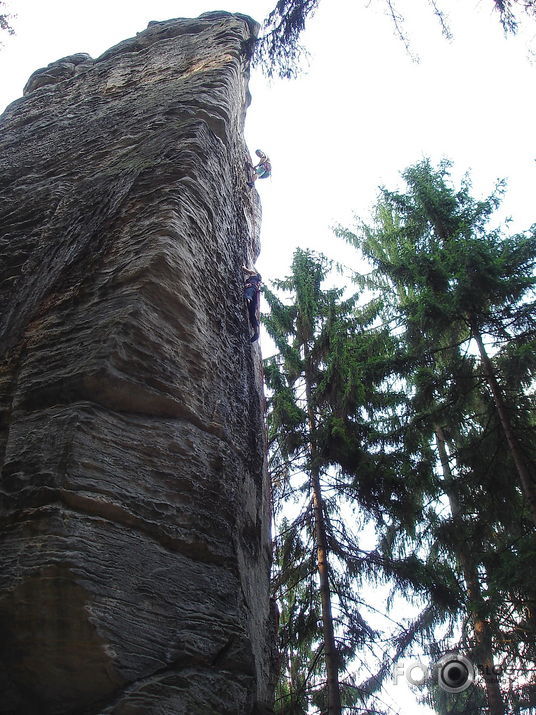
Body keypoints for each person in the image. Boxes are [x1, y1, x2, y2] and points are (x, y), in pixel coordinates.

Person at [243, 265, 262, 342]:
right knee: (252, 314)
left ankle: (247, 298)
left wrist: (243, 266)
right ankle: (256, 332)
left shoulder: (254, 273)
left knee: (248, 294)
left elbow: (245, 269)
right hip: (256, 294)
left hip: (251, 289)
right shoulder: (258, 282)